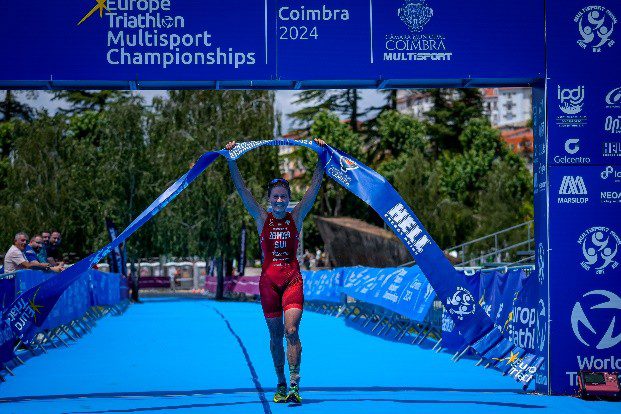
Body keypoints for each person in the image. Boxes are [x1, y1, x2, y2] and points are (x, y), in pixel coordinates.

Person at [226, 138, 325, 404]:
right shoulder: (261, 218)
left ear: (289, 199)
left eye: (283, 197)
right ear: (269, 200)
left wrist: (321, 155)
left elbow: (314, 188)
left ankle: (294, 384)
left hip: (292, 281)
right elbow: (242, 189)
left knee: (291, 331)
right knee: (275, 335)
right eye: (275, 197)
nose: (280, 200)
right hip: (268, 285)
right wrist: (231, 159)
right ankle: (280, 382)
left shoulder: (297, 217)